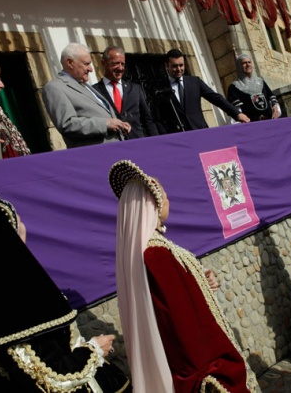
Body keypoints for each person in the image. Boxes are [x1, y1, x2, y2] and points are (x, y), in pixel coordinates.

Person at [0, 191, 131, 392]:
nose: (23, 230)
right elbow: (53, 379)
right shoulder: (14, 303)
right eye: (16, 226)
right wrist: (93, 351)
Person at [109, 160, 259, 392]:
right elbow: (181, 321)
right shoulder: (156, 254)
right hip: (202, 366)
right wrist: (214, 367)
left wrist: (200, 280)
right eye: (166, 198)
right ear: (155, 204)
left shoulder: (150, 251)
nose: (169, 202)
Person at [42, 42, 131, 148]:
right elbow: (67, 125)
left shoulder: (84, 85)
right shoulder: (55, 87)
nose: (91, 69)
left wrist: (119, 125)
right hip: (96, 154)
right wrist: (105, 124)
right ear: (70, 62)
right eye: (86, 64)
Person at [152, 48, 250, 134]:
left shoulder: (195, 82)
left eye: (181, 65)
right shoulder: (159, 88)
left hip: (200, 132)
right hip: (177, 138)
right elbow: (157, 118)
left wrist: (236, 113)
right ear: (166, 65)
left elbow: (216, 98)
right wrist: (165, 136)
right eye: (174, 66)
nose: (179, 69)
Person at [92, 46, 158, 139]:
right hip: (112, 145)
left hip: (136, 142)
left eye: (123, 64)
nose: (120, 68)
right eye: (115, 64)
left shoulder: (135, 89)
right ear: (104, 63)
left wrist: (156, 142)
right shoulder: (94, 91)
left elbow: (147, 119)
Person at [227, 54, 280, 121]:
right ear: (239, 66)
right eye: (244, 63)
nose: (248, 64)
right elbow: (236, 112)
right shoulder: (234, 87)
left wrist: (275, 108)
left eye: (249, 62)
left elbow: (271, 98)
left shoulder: (260, 82)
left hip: (269, 120)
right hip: (252, 125)